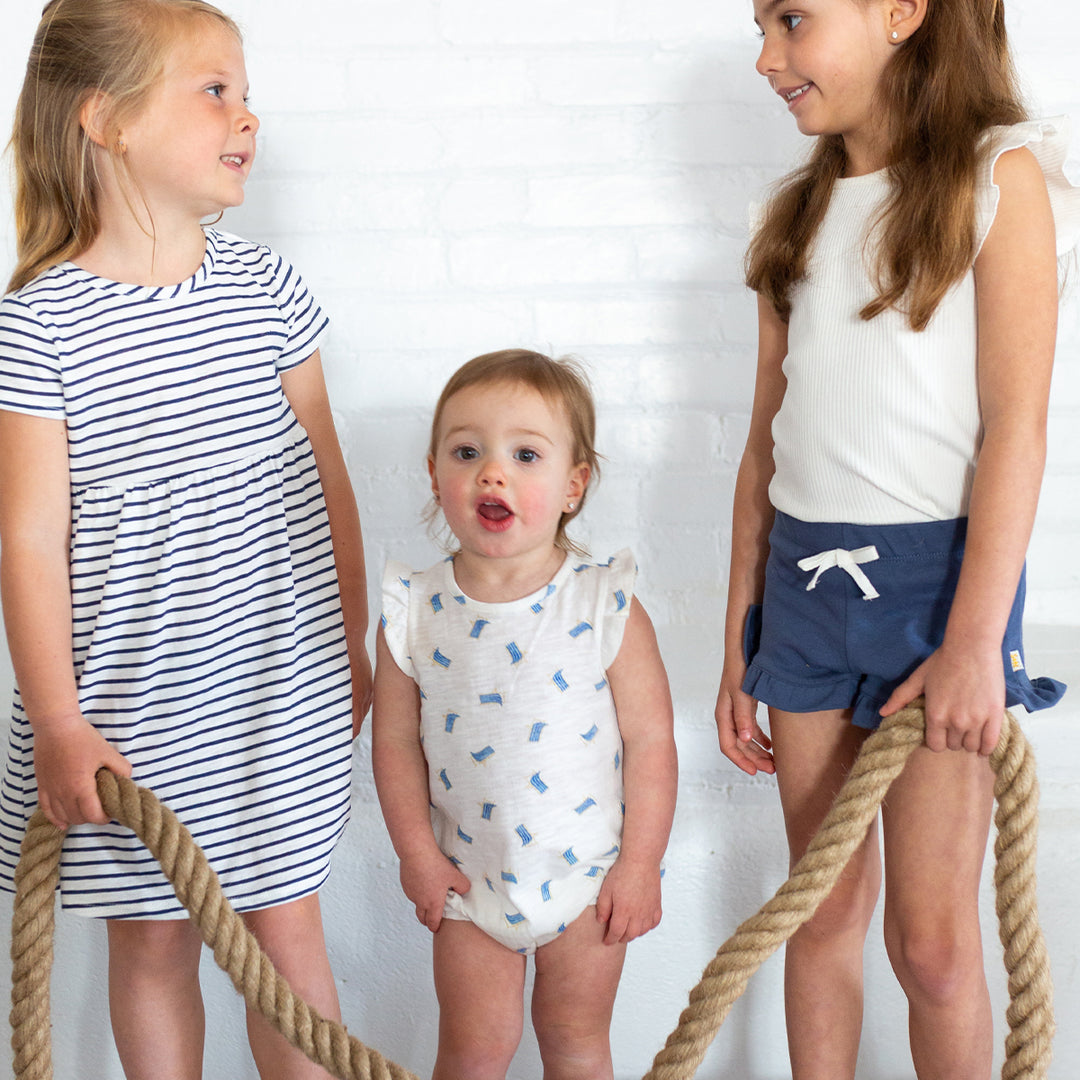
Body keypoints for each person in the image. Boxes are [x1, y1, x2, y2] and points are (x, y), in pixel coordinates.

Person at [0, 2, 371, 1078]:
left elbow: (327, 481)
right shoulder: (40, 326)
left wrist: (348, 643)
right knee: (155, 939)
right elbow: (26, 541)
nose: (247, 115)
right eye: (215, 89)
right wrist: (61, 724)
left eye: (246, 91)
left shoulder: (266, 291)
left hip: (271, 689)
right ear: (105, 120)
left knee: (284, 930)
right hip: (131, 704)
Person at [715, 2, 1079, 1077]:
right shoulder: (792, 214)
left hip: (940, 594)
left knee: (931, 945)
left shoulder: (999, 180)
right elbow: (760, 451)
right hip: (804, 592)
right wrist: (743, 637)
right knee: (819, 915)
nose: (766, 56)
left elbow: (1019, 425)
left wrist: (973, 643)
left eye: (790, 19)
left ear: (901, 12)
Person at [372, 349, 677, 1080]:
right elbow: (393, 746)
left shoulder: (604, 603)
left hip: (588, 881)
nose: (493, 472)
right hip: (468, 886)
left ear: (574, 486)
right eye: (467, 451)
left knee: (575, 1045)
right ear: (434, 472)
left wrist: (640, 867)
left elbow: (652, 744)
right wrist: (416, 854)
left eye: (525, 454)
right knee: (473, 1052)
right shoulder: (412, 610)